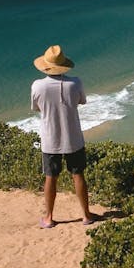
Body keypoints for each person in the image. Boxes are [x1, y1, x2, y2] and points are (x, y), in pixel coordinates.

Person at [31, 45, 97, 228]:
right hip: (73, 137)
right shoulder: (75, 83)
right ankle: (86, 215)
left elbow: (36, 108)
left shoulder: (37, 86)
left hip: (50, 138)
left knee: (50, 177)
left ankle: (49, 217)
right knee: (78, 175)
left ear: (45, 66)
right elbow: (82, 101)